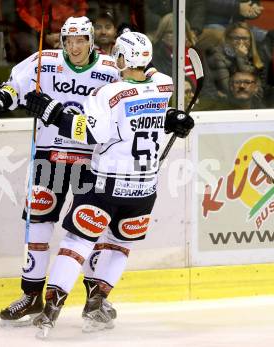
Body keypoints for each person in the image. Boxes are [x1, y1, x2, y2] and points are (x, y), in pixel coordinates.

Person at [24, 31, 194, 336]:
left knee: (77, 243)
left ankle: (51, 309)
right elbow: (154, 90)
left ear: (124, 58)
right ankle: (96, 304)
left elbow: (89, 134)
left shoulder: (107, 94)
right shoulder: (164, 84)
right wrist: (175, 117)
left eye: (118, 53)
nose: (114, 58)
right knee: (119, 244)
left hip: (105, 182)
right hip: (144, 187)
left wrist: (52, 112)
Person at [0, 16, 119, 326]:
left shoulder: (111, 70)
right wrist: (0, 98)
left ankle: (95, 299)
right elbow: (13, 87)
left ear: (92, 40)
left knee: (88, 230)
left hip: (90, 161)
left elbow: (136, 93)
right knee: (38, 227)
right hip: (48, 156)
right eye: (68, 40)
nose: (73, 46)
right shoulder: (45, 61)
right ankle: (31, 296)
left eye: (80, 39)